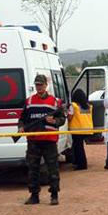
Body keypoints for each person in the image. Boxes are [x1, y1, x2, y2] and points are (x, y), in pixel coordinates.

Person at [19, 74, 66, 205]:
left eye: (41, 85)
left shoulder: (55, 102)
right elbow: (22, 119)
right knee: (32, 169)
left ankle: (54, 195)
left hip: (49, 140)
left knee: (53, 169)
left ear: (46, 85)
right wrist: (21, 127)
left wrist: (55, 121)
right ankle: (34, 195)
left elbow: (62, 119)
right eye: (37, 85)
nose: (39, 87)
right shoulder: (29, 102)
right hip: (33, 140)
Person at [67, 89, 93, 170]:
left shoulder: (73, 106)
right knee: (79, 146)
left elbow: (70, 117)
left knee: (78, 147)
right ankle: (77, 161)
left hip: (77, 129)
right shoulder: (88, 106)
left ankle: (82, 164)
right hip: (87, 129)